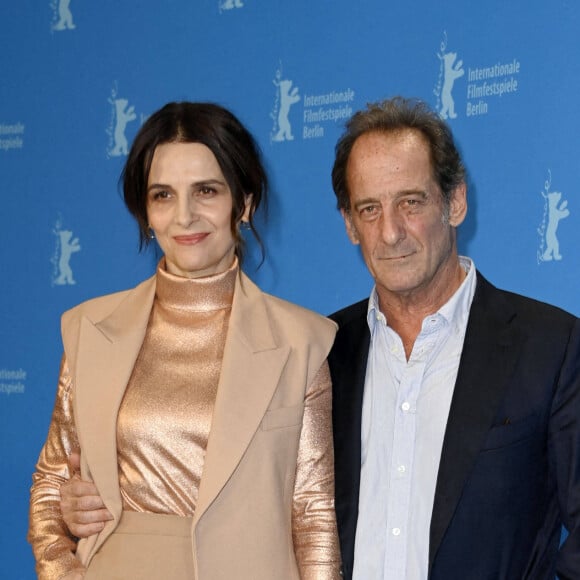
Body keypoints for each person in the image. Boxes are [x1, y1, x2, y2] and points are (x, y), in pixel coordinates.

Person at [28, 101, 341, 580]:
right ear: (145, 211)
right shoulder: (90, 329)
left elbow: (313, 515)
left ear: (245, 202)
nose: (185, 216)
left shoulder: (301, 343)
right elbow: (51, 484)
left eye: (206, 191)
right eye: (163, 195)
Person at [328, 97, 580, 579]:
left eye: (410, 202)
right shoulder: (321, 352)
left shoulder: (551, 346)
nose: (391, 232)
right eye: (369, 209)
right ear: (349, 224)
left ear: (455, 201)